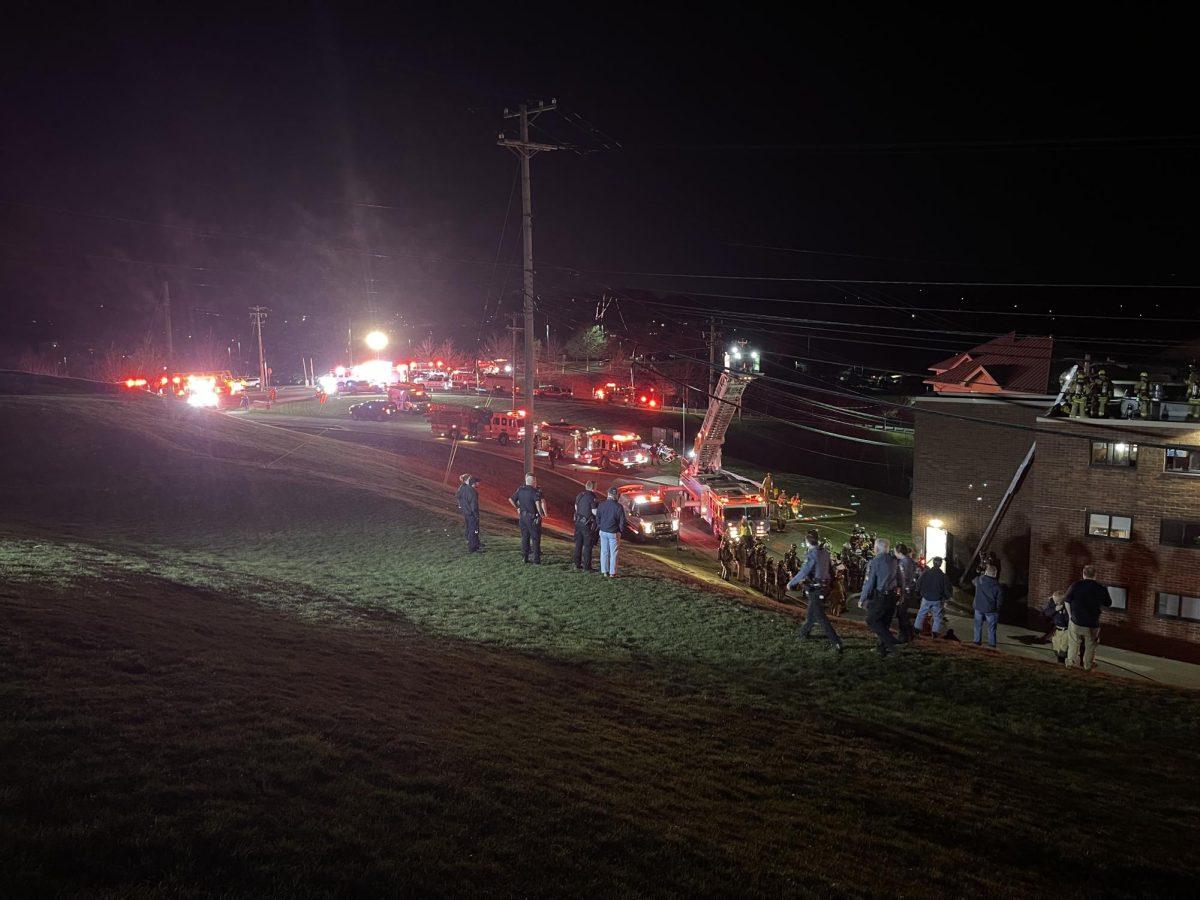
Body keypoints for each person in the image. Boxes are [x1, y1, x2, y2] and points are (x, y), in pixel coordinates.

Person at [788, 530, 843, 653]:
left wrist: (791, 582)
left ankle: (836, 642)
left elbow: (804, 571)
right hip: (825, 586)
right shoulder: (825, 552)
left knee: (820, 617)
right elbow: (830, 570)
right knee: (812, 612)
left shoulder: (811, 555)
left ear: (807, 542)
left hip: (816, 588)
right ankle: (803, 633)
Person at [1063, 564, 1112, 671]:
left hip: (1076, 621)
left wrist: (1071, 616)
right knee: (1090, 645)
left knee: (1073, 642)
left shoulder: (1076, 585)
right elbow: (1108, 603)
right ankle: (1087, 665)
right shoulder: (1101, 588)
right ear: (1095, 575)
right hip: (1092, 623)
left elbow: (1067, 600)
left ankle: (1070, 662)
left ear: (1083, 574)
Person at [860, 537, 901, 656]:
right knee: (884, 623)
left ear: (876, 548)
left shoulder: (875, 562)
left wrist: (863, 598)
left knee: (871, 620)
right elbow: (900, 579)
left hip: (880, 596)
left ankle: (893, 644)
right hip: (892, 596)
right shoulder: (894, 561)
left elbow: (869, 582)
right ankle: (882, 649)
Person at [508, 474, 546, 564]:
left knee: (525, 537)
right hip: (532, 518)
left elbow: (511, 499)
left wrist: (518, 507)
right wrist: (541, 514)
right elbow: (537, 504)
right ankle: (536, 560)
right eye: (535, 481)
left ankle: (525, 558)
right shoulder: (535, 492)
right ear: (532, 482)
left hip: (522, 517)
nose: (536, 483)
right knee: (535, 538)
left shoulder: (520, 490)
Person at [913, 557, 952, 637]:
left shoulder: (926, 573)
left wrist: (918, 592)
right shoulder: (943, 576)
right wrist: (946, 597)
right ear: (940, 564)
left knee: (921, 613)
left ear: (933, 563)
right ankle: (935, 633)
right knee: (937, 616)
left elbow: (918, 583)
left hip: (926, 598)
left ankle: (917, 630)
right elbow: (947, 588)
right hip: (937, 599)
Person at [595, 487, 627, 577]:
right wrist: (620, 530)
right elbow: (622, 521)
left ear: (608, 494)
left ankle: (605, 571)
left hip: (603, 531)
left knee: (604, 551)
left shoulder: (602, 505)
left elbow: (597, 517)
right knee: (614, 553)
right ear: (616, 495)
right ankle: (612, 573)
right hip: (614, 532)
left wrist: (600, 526)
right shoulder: (619, 507)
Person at [572, 480, 600, 571]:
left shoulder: (580, 495)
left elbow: (576, 507)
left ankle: (577, 564)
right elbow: (594, 511)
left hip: (578, 522)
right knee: (588, 545)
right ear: (593, 488)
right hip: (587, 524)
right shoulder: (592, 497)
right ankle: (587, 567)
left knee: (578, 544)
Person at [972, 564, 1003, 648]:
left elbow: (973, 581)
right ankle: (991, 645)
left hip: (978, 607)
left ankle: (976, 642)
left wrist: (982, 574)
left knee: (977, 625)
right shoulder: (998, 586)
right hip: (991, 610)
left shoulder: (979, 580)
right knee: (991, 628)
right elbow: (999, 601)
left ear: (986, 572)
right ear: (995, 574)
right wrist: (997, 609)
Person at [893, 544, 917, 642]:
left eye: (895, 551)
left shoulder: (902, 563)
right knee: (903, 613)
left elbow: (903, 579)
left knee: (901, 613)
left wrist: (900, 593)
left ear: (899, 552)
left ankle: (904, 635)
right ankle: (910, 632)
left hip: (904, 592)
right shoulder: (910, 561)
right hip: (909, 590)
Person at [455, 473, 482, 553]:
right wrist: (476, 515)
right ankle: (472, 548)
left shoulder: (463, 488)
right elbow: (473, 504)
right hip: (471, 513)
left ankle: (475, 543)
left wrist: (461, 506)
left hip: (466, 512)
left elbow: (458, 496)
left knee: (471, 529)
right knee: (473, 529)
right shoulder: (470, 490)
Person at [1042, 591, 1071, 663]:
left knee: (1063, 650)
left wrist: (1063, 612)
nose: (1055, 603)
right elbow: (1046, 612)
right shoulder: (1052, 603)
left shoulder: (1068, 605)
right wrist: (1055, 609)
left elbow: (1069, 618)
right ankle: (1060, 662)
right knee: (1056, 649)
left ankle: (1063, 663)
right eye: (1054, 600)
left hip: (1066, 630)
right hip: (1057, 630)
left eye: (1058, 601)